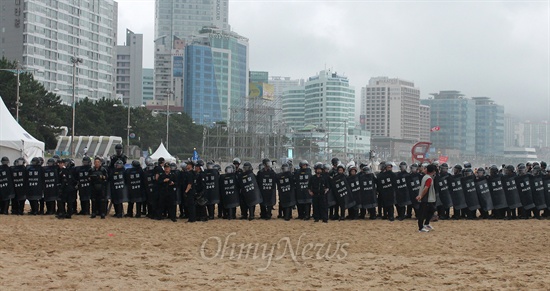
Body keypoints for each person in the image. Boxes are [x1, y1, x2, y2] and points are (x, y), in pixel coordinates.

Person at [416, 164, 437, 232]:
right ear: (433, 171)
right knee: (422, 213)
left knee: (432, 210)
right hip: (426, 198)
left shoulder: (426, 177)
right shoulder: (428, 178)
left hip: (428, 198)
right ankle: (420, 228)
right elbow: (426, 188)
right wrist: (421, 196)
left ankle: (426, 223)